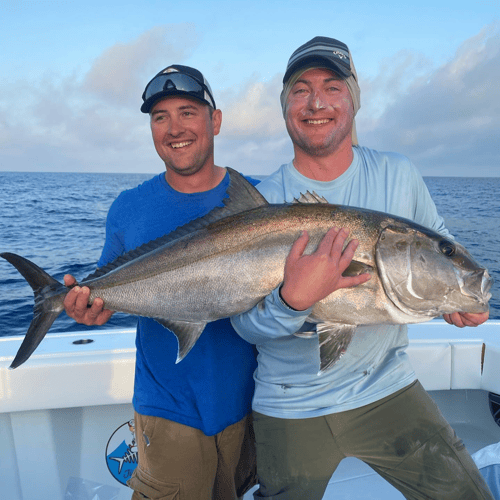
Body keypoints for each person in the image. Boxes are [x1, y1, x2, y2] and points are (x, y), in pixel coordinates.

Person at [231, 37, 493, 500]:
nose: (316, 102)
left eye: (332, 87)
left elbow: (439, 246)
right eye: (300, 89)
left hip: (387, 389)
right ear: (285, 105)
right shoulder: (263, 199)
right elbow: (245, 327)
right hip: (289, 400)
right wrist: (293, 300)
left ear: (353, 100)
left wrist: (451, 297)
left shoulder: (399, 173)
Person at [63, 64, 258, 500]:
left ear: (216, 120)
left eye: (188, 111)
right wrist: (87, 308)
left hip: (251, 404)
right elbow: (106, 295)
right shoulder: (129, 207)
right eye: (160, 117)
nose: (174, 128)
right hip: (167, 409)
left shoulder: (260, 199)